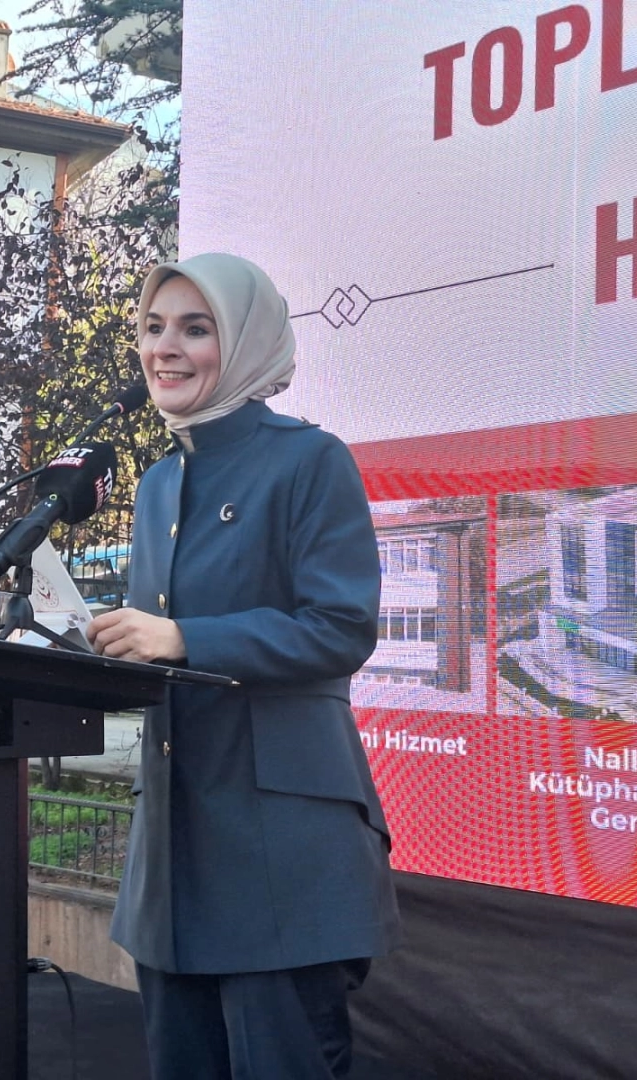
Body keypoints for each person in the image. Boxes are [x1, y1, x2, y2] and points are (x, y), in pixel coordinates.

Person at [85, 253, 400, 1080]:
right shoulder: (159, 484)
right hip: (173, 857)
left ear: (249, 341)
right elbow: (157, 649)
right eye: (153, 327)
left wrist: (183, 637)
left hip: (280, 852)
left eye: (196, 329)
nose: (164, 348)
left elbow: (340, 628)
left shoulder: (310, 460)